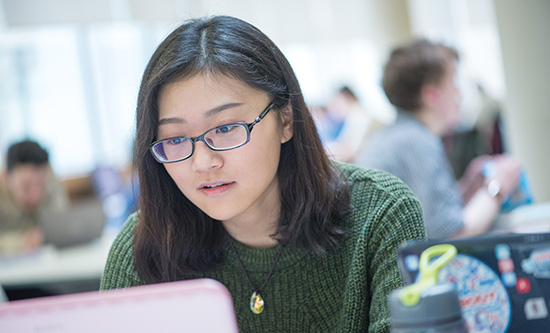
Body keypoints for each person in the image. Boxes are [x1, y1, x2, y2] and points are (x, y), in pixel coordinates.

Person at [100, 16, 426, 332]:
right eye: (174, 139)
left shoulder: (381, 213)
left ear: (285, 120)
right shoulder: (145, 245)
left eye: (226, 128)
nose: (202, 162)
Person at [355, 39, 522, 240]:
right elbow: (450, 234)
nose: (459, 92)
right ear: (431, 95)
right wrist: (497, 186)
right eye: (453, 82)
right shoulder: (416, 141)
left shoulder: (395, 136)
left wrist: (466, 190)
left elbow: (429, 215)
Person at [0, 139, 69, 255]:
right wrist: (19, 243)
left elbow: (63, 225)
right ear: (6, 177)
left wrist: (47, 234)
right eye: (26, 186)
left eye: (41, 185)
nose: (36, 195)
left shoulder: (51, 180)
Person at [315, 85, 380, 163]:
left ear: (349, 99)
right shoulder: (353, 117)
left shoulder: (358, 116)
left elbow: (350, 151)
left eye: (338, 102)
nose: (335, 107)